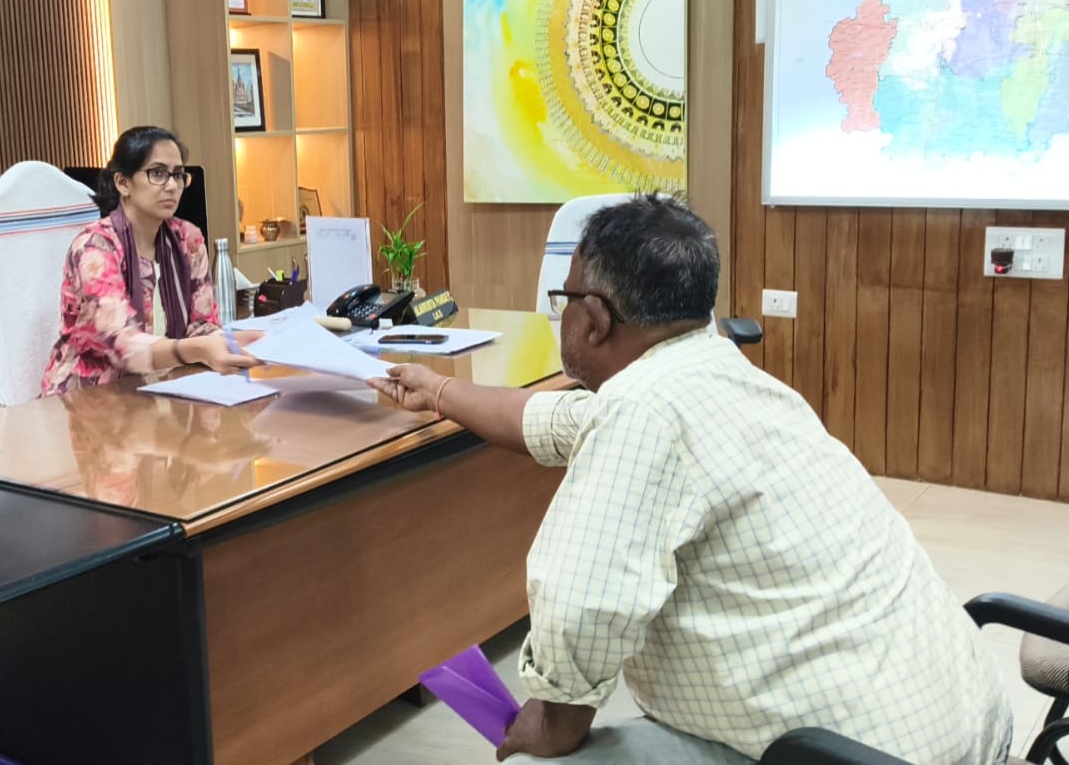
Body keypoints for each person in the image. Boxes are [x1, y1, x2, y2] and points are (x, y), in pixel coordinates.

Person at [369, 195, 1012, 764]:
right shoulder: (720, 374)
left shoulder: (643, 409)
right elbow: (556, 420)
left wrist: (549, 725)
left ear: (594, 317)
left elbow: (583, 606)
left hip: (843, 754)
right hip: (955, 722)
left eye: (563, 300)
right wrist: (440, 391)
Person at [42, 126, 258, 396]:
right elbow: (122, 344)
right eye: (158, 173)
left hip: (162, 386)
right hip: (89, 395)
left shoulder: (188, 239)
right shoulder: (95, 247)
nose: (172, 186)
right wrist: (198, 349)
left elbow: (201, 325)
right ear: (123, 183)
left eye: (178, 175)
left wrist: (228, 341)